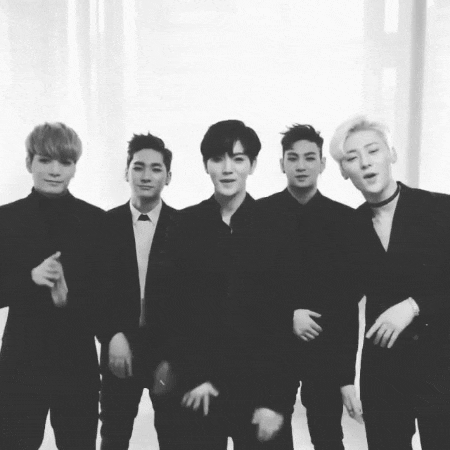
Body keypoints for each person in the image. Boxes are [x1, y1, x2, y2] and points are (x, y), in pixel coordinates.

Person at [158, 119, 294, 449]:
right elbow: (172, 311)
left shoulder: (276, 225)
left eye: (238, 159)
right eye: (218, 159)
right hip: (199, 390)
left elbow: (283, 319)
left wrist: (277, 402)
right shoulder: (184, 225)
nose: (228, 169)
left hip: (260, 392)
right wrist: (193, 377)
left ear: (253, 165)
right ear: (206, 165)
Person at [330, 115, 450, 450]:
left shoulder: (441, 209)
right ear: (344, 171)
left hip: (442, 365)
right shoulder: (348, 229)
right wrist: (344, 379)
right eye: (352, 158)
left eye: (373, 150)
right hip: (384, 372)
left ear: (392, 154)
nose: (365, 163)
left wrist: (414, 306)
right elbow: (341, 307)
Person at [0, 122, 105, 449]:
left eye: (65, 162)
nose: (55, 170)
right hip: (21, 361)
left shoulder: (96, 221)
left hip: (76, 361)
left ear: (75, 167)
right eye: (45, 160)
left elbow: (109, 297)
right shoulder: (5, 219)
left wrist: (69, 299)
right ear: (28, 162)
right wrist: (29, 278)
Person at [258, 124, 363, 450]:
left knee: (328, 436)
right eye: (293, 158)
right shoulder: (258, 215)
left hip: (324, 349)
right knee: (271, 438)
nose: (301, 165)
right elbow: (249, 288)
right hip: (273, 349)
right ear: (282, 164)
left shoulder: (345, 220)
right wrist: (287, 315)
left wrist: (346, 376)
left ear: (322, 164)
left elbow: (348, 302)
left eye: (309, 158)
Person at [98, 132, 177, 450]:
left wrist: (175, 356)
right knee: (113, 436)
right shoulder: (104, 225)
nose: (146, 176)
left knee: (175, 436)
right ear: (126, 172)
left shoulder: (185, 226)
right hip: (120, 348)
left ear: (168, 176)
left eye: (156, 168)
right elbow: (95, 290)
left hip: (168, 353)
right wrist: (111, 335)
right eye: (138, 167)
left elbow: (193, 300)